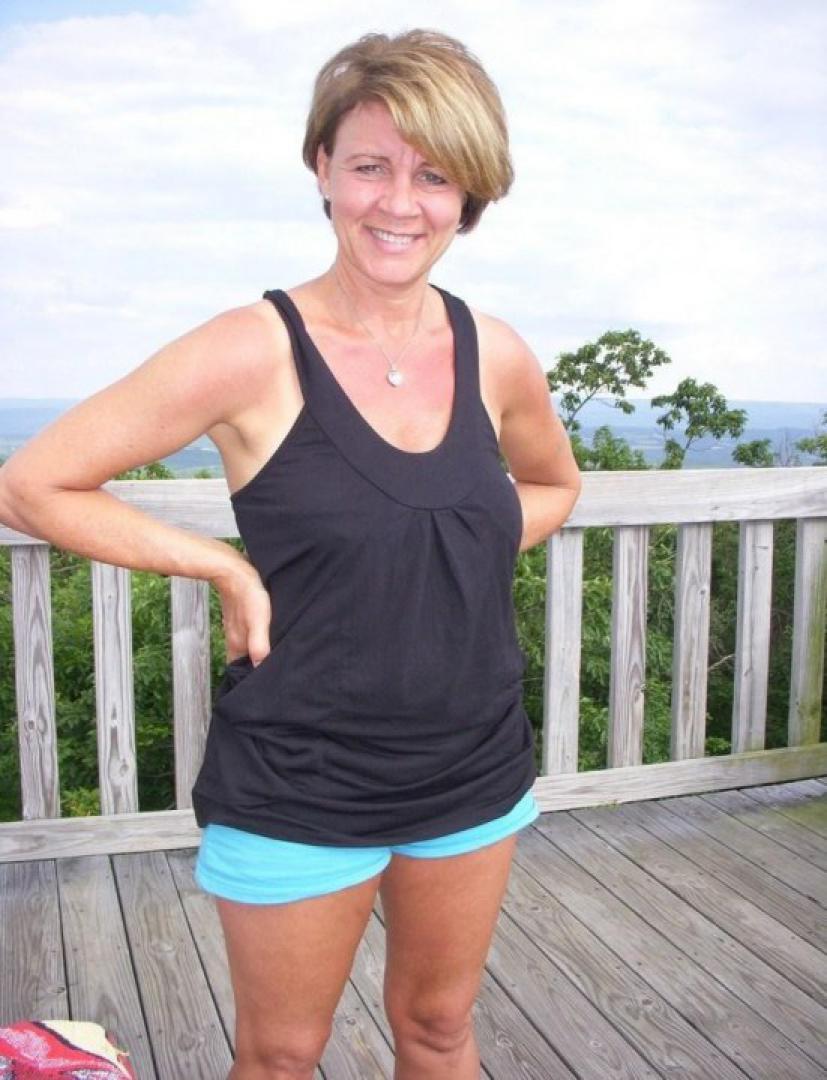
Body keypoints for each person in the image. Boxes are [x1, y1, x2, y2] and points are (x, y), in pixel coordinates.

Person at [0, 27, 581, 1080]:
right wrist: (220, 565)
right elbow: (31, 483)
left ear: (468, 195)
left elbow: (551, 485)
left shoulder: (493, 351)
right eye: (369, 166)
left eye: (432, 175)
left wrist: (454, 550)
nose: (398, 202)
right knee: (279, 1053)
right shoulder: (251, 348)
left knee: (439, 1029)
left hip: (473, 764)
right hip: (301, 779)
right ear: (321, 168)